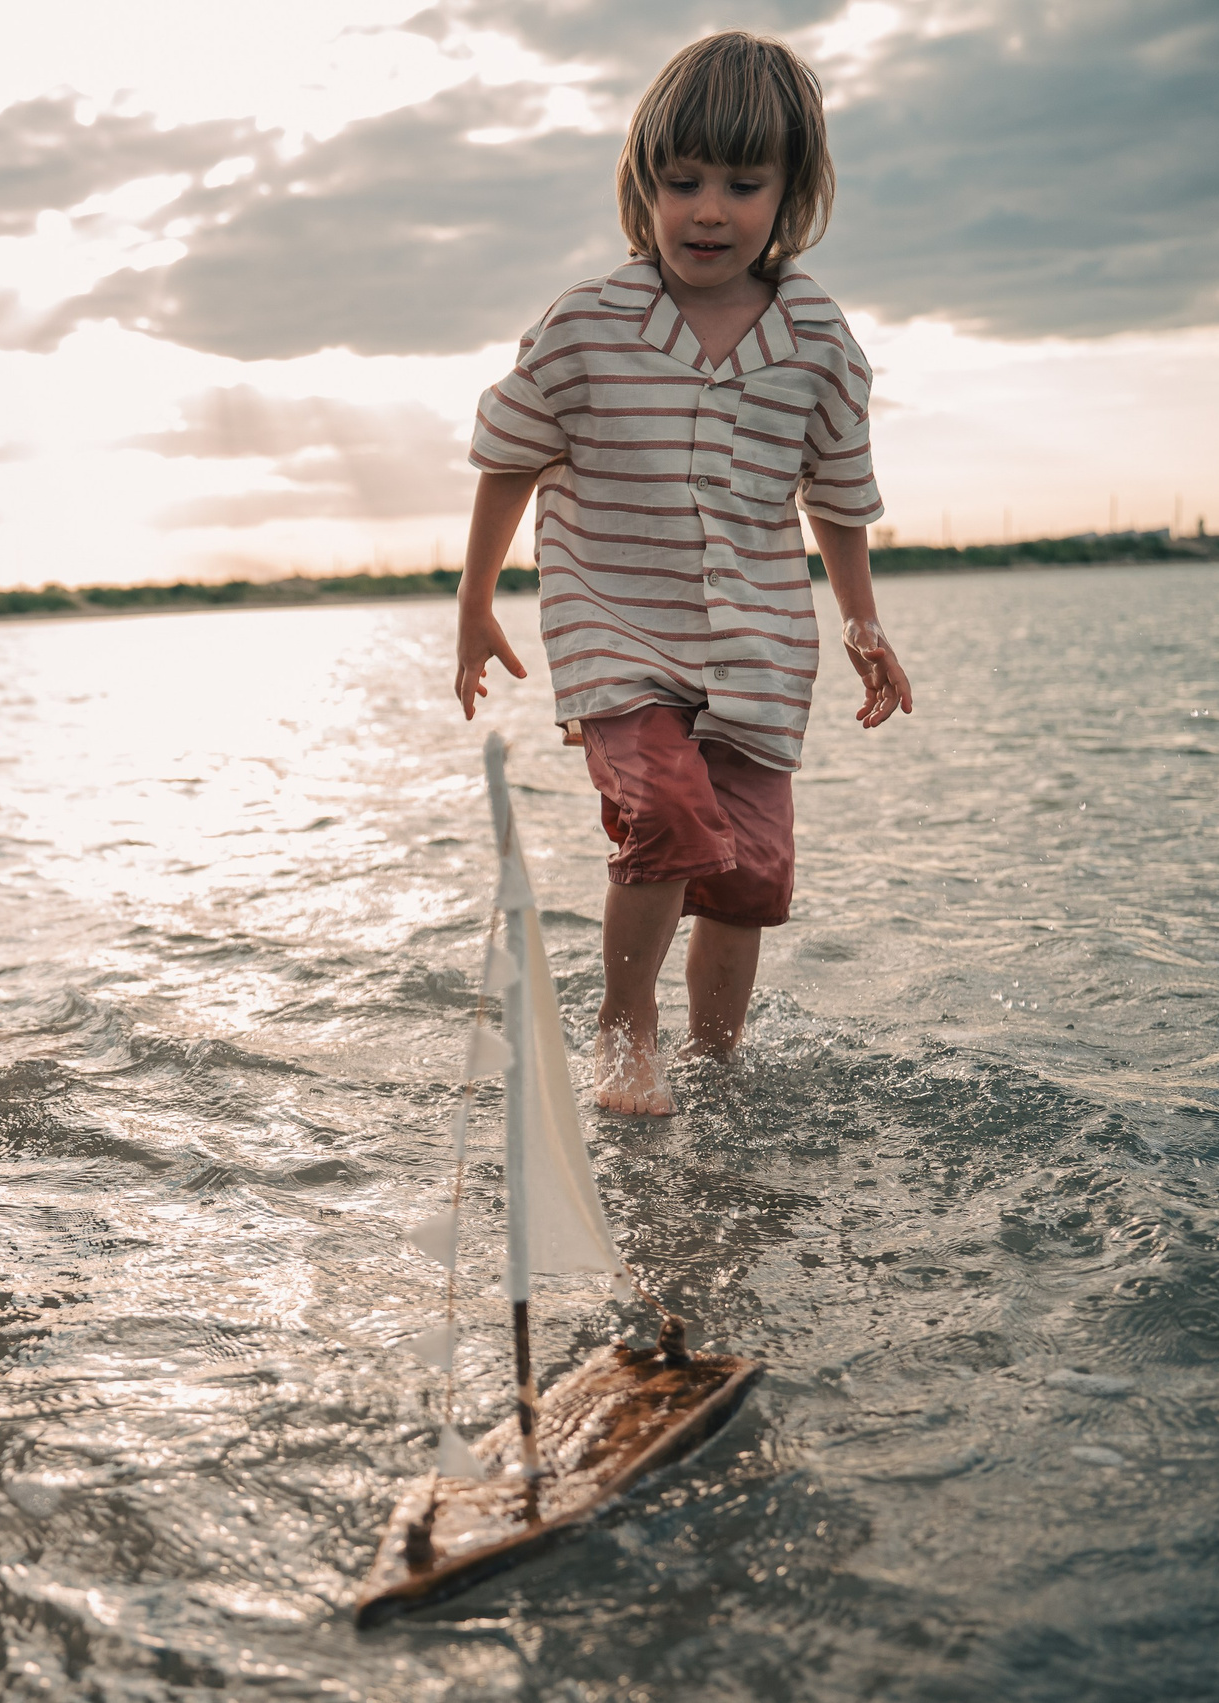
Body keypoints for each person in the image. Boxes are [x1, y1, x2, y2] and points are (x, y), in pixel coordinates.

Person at [450, 31, 914, 1116]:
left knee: (746, 879)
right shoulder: (585, 325)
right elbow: (507, 459)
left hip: (758, 643)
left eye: (742, 185)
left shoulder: (818, 341)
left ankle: (718, 1064)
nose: (709, 210)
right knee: (663, 816)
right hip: (616, 627)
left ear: (791, 192)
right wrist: (474, 601)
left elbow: (837, 500)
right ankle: (623, 1030)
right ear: (642, 185)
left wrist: (863, 625)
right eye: (683, 182)